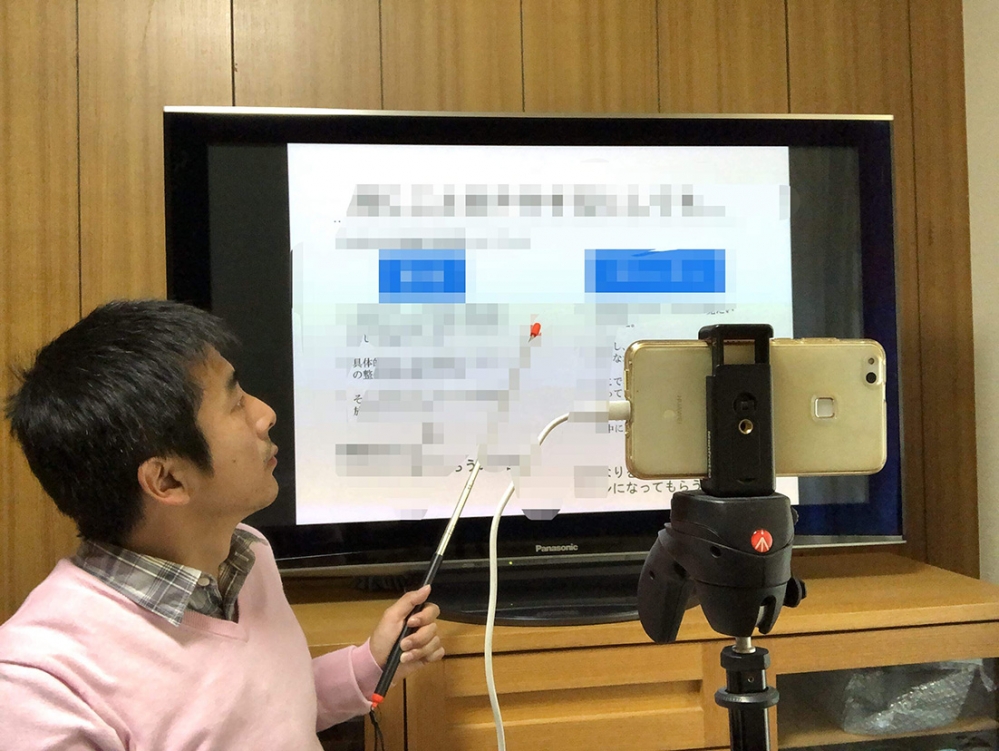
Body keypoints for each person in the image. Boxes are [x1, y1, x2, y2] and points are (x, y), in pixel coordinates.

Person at [0, 299, 444, 749]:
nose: (265, 414)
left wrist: (371, 663)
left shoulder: (246, 553)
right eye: (235, 403)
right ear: (168, 480)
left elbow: (267, 712)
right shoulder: (42, 686)